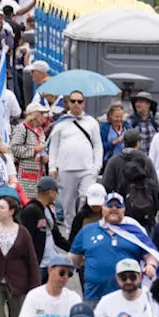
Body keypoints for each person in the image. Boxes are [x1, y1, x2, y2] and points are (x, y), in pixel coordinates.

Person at [70, 192, 159, 304]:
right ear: (102, 208)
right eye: (110, 206)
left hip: (128, 295)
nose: (114, 209)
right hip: (94, 295)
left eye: (118, 206)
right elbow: (73, 258)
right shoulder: (87, 230)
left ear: (124, 210)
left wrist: (151, 265)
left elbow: (150, 254)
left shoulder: (134, 231)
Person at [49, 90, 104, 231]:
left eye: (79, 101)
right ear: (68, 103)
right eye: (73, 101)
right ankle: (69, 231)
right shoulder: (60, 123)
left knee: (86, 199)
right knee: (67, 204)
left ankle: (83, 228)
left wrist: (97, 166)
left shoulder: (92, 122)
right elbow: (53, 146)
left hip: (87, 168)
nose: (76, 104)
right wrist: (52, 167)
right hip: (66, 168)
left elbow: (98, 145)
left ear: (84, 103)